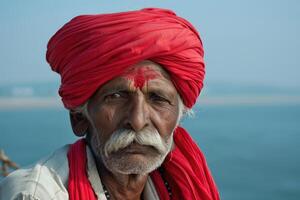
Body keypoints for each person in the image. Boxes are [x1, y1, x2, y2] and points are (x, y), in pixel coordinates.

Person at [0, 8, 220, 200]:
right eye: (116, 97)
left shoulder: (182, 186)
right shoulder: (35, 194)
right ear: (79, 119)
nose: (137, 120)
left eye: (158, 99)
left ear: (177, 119)